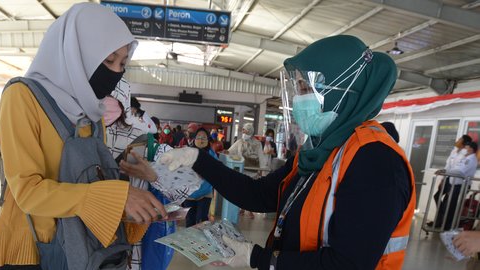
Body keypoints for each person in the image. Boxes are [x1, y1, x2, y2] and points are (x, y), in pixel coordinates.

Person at [159, 35, 415, 269]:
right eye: (297, 89)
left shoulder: (376, 163)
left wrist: (257, 258)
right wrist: (198, 159)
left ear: (345, 92)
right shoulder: (317, 152)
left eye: (306, 90)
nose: (298, 99)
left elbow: (348, 263)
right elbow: (258, 195)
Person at [0, 4, 167, 269]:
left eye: (123, 63)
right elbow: (28, 192)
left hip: (81, 250)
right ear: (77, 52)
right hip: (35, 250)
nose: (116, 72)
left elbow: (89, 181)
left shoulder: (91, 110)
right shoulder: (22, 97)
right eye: (108, 60)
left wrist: (130, 208)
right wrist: (116, 197)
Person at [429, 135, 473, 227]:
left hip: (458, 181)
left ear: (464, 142)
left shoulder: (466, 153)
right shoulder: (454, 150)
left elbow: (460, 168)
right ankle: (440, 219)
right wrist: (443, 179)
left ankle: (444, 224)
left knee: (449, 203)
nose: (457, 140)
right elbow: (448, 165)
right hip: (448, 177)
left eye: (460, 139)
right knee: (437, 196)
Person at [183, 127, 216, 227]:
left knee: (202, 221)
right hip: (189, 193)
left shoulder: (212, 155)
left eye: (204, 137)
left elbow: (216, 172)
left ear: (208, 140)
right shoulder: (188, 152)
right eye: (199, 137)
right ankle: (189, 242)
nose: (201, 140)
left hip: (205, 193)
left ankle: (202, 241)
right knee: (190, 220)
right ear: (194, 139)